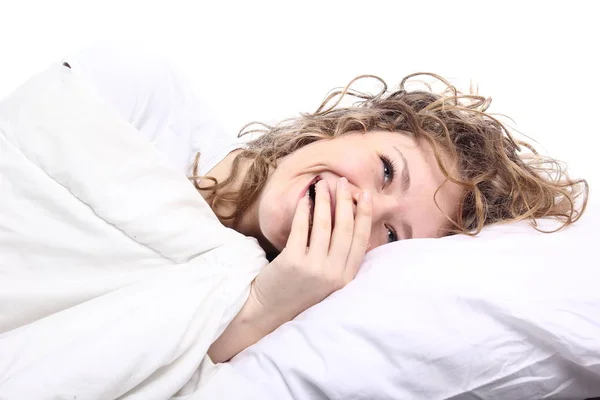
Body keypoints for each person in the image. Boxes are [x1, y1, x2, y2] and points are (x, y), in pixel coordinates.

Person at [61, 44, 588, 363]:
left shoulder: (276, 317)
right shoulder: (147, 98)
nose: (359, 206)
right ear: (354, 127)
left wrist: (266, 307)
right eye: (386, 171)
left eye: (392, 233)